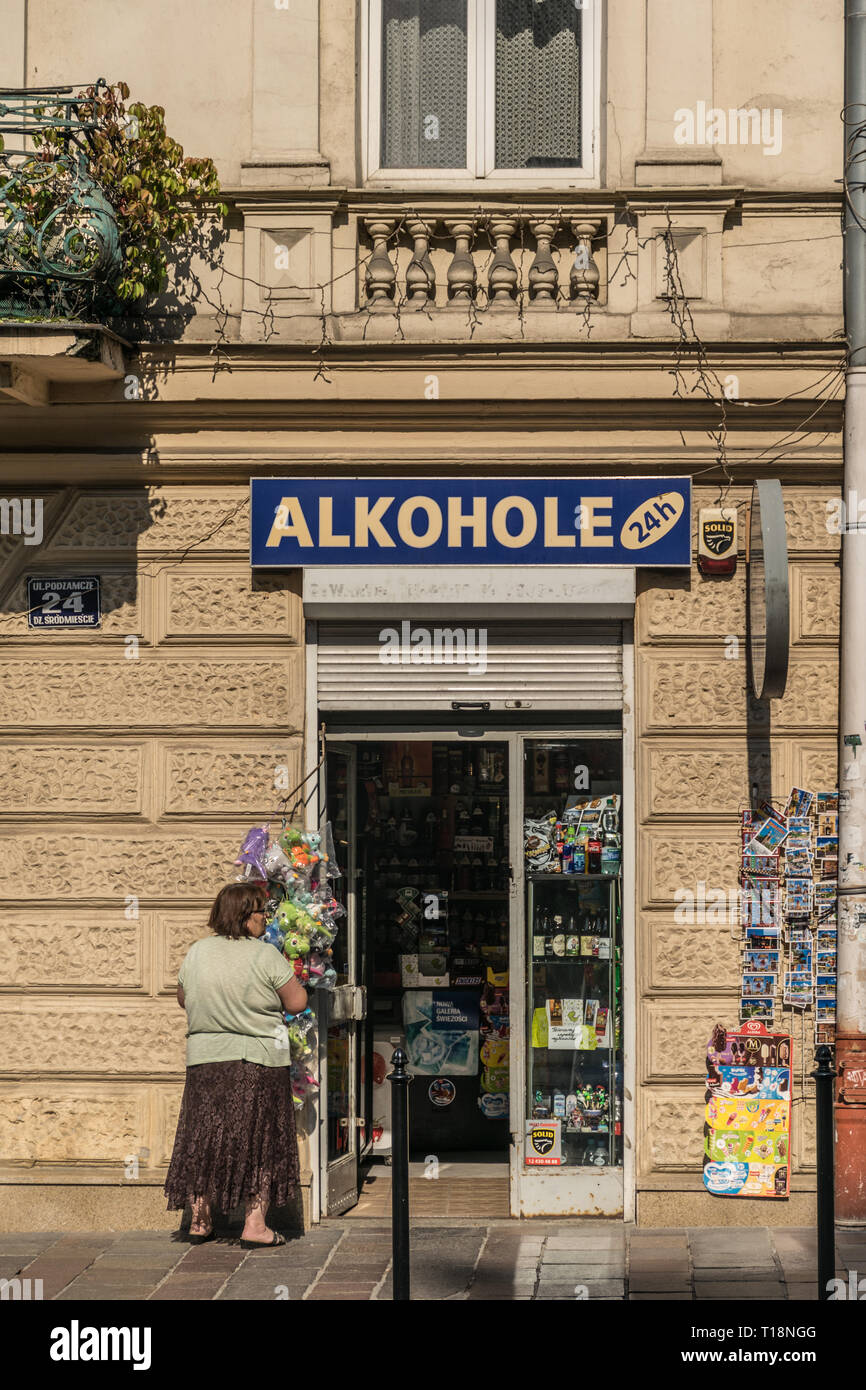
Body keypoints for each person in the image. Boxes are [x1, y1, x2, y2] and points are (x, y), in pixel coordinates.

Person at [165, 881, 308, 1247]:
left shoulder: (197, 952)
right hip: (257, 1062)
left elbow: (184, 997)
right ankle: (255, 1225)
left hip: (205, 1062)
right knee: (260, 1140)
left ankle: (200, 1221)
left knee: (205, 1138)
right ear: (244, 916)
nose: (265, 918)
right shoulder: (265, 955)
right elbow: (295, 1003)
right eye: (261, 911)